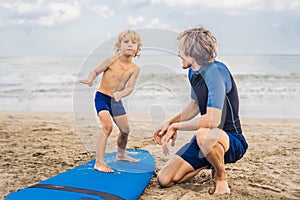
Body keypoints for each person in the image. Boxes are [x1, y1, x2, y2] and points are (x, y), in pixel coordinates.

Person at [153, 26, 248, 194]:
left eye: (181, 50)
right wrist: (170, 123)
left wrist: (177, 127)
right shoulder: (192, 71)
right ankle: (209, 159)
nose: (178, 54)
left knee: (203, 133)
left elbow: (212, 121)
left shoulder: (216, 73)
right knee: (164, 179)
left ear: (193, 52)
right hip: (206, 140)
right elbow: (195, 105)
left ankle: (221, 177)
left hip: (231, 141)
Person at [80, 29, 142, 173]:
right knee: (107, 127)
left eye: (134, 42)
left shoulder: (135, 68)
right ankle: (99, 162)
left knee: (126, 130)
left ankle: (121, 155)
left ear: (138, 48)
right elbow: (95, 71)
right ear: (118, 45)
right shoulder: (111, 60)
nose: (129, 45)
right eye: (126, 42)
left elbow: (130, 87)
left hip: (116, 101)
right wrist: (90, 79)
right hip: (102, 98)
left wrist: (122, 94)